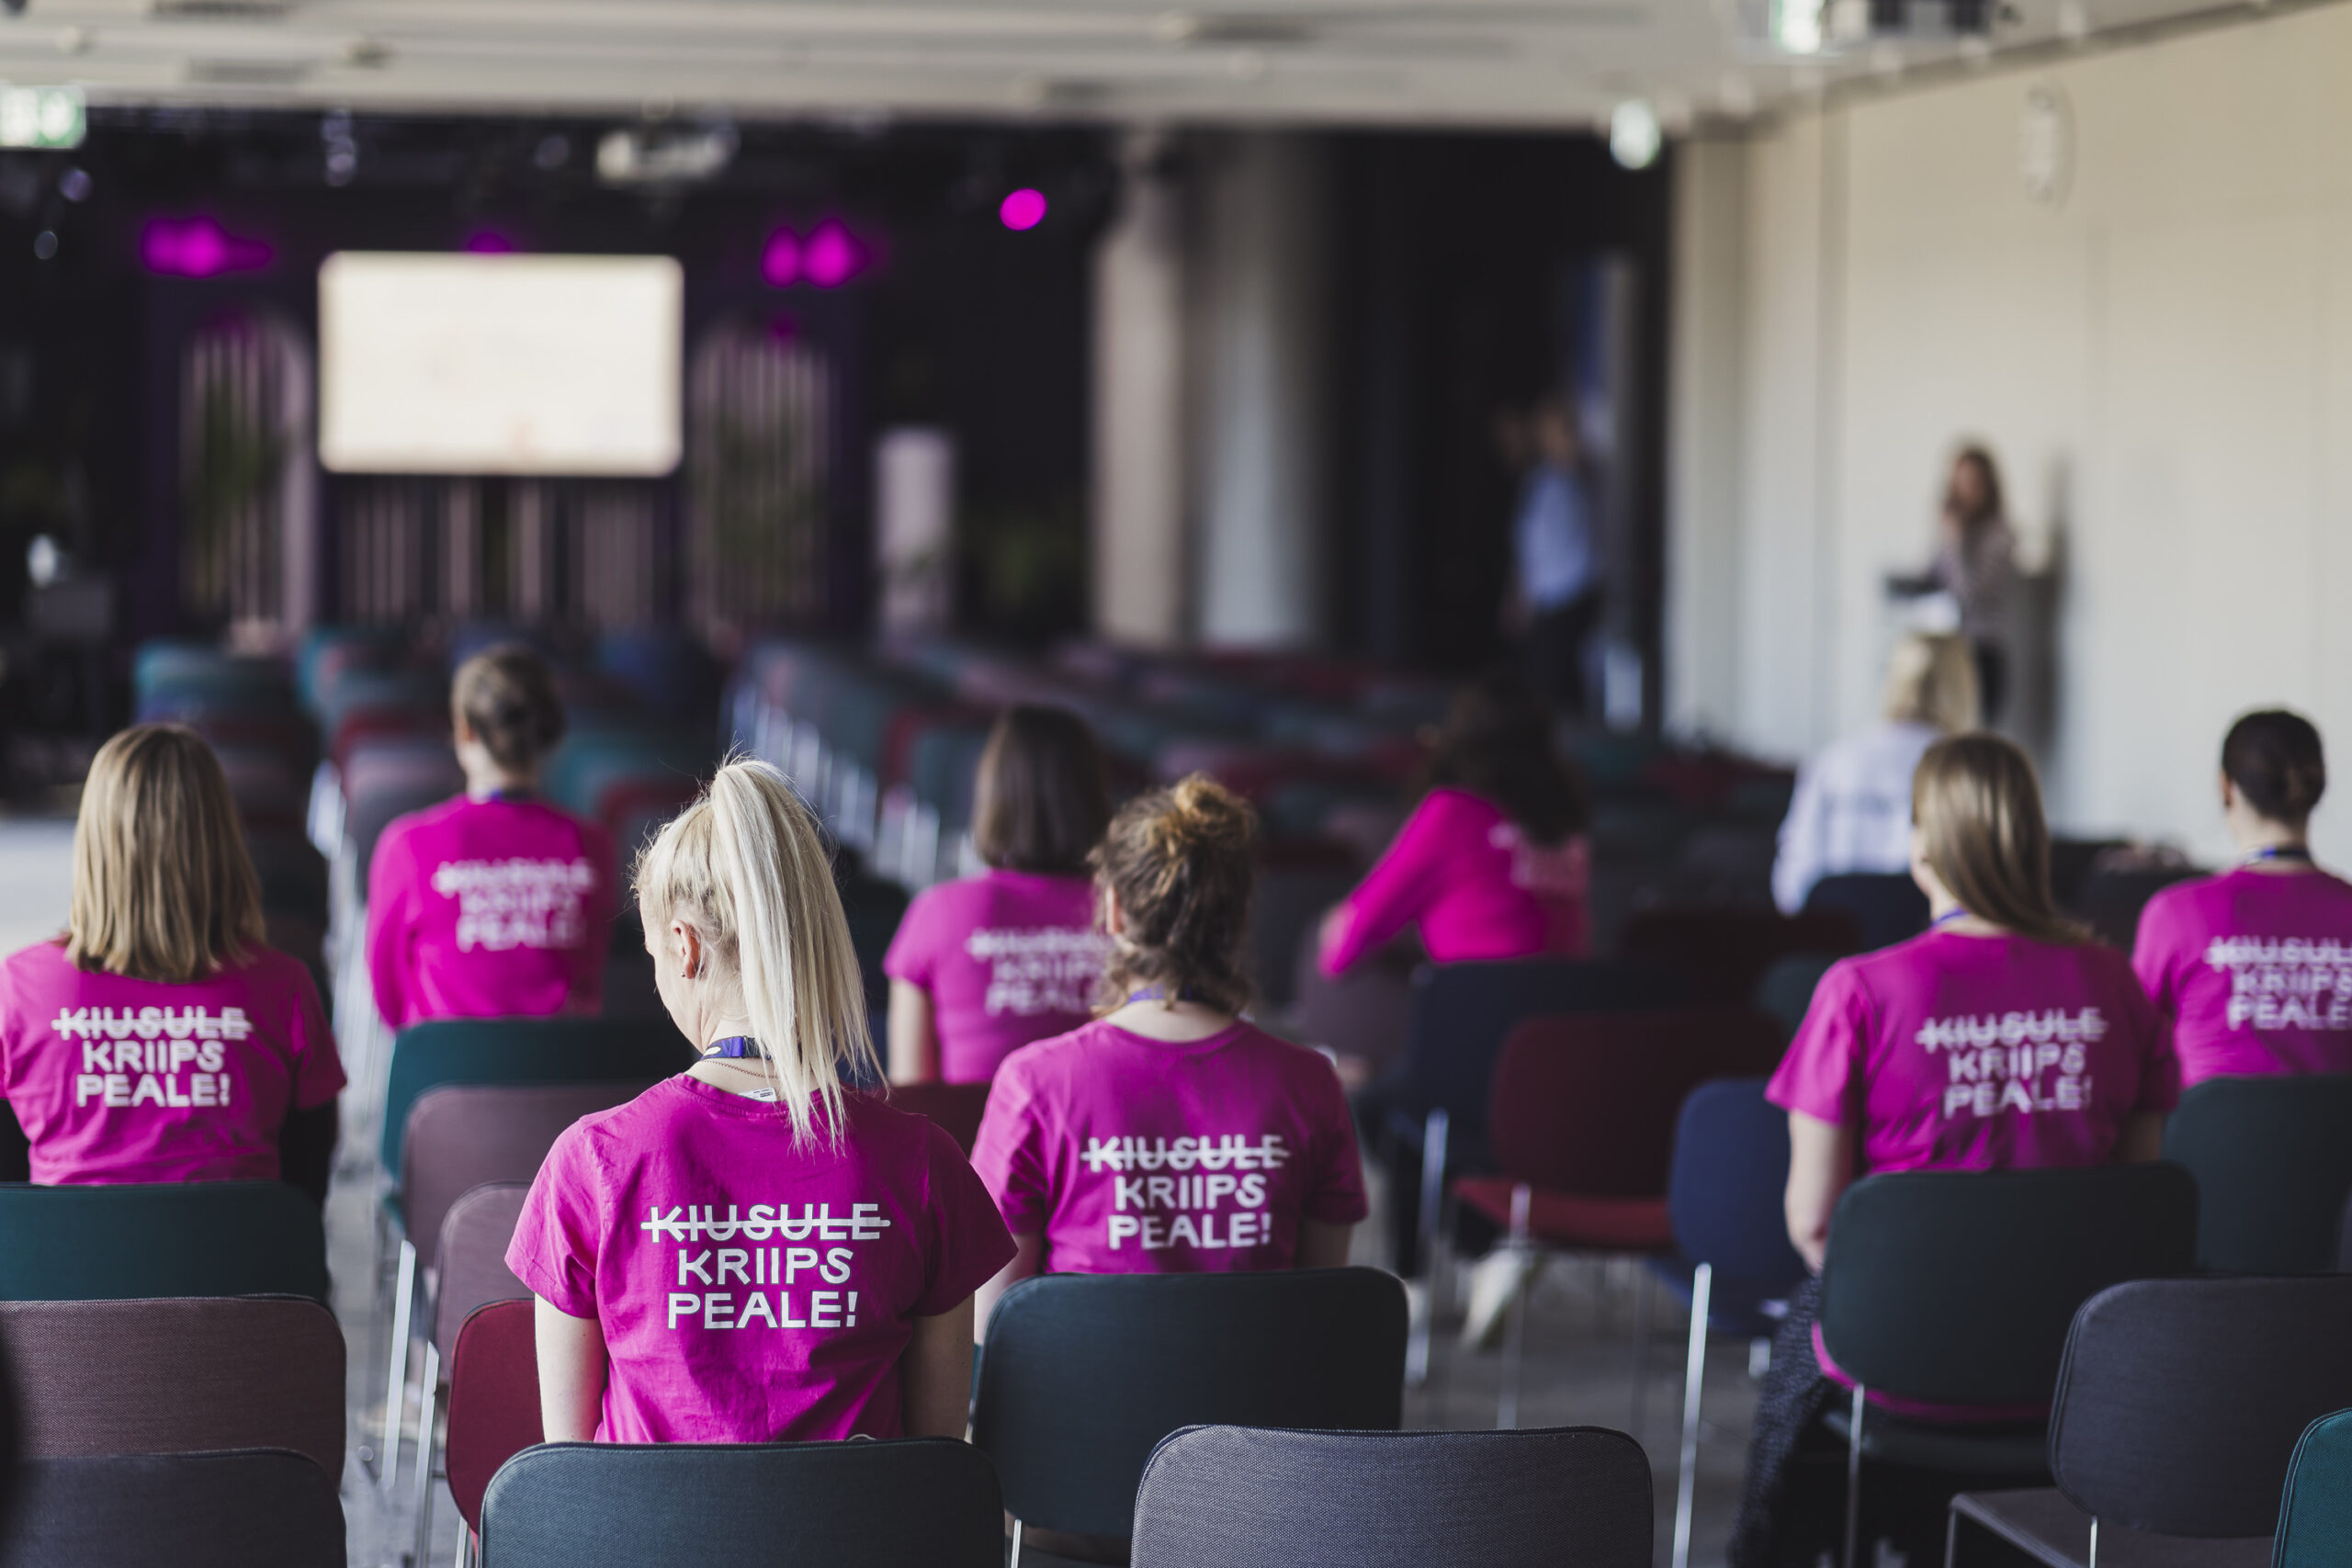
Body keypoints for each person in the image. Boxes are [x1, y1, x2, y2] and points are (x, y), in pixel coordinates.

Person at [1733, 734, 2176, 1568]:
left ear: (1922, 842)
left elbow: (1812, 1222)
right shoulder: (2118, 982)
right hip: (2076, 1360)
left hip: (1902, 1351)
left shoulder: (1860, 990)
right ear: (2033, 841)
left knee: (1800, 1347)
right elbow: (2138, 1199)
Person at [505, 760, 1013, 1444]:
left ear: (683, 949)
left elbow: (565, 1478)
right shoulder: (926, 1163)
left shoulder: (591, 1161)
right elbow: (934, 1468)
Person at [970, 776, 1367, 1327]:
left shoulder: (1035, 1083)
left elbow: (993, 1325)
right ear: (1239, 916)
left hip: (1082, 1407)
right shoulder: (1311, 1083)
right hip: (1256, 1411)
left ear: (1112, 911)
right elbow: (1318, 1317)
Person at [0, 725, 344, 1199]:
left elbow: (10, 1201)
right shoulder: (285, 986)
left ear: (95, 843)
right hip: (241, 1272)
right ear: (221, 841)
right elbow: (307, 1193)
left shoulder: (18, 989)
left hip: (70, 1269)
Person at [366, 644, 614, 1031]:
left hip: (444, 1082)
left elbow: (389, 1000)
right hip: (570, 1083)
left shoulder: (407, 846)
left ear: (465, 730)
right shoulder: (596, 846)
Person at [883, 705, 1112, 1085]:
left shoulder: (939, 911)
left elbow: (911, 1091)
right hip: (1093, 1142)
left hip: (971, 1141)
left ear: (992, 796)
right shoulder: (1125, 913)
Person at [1317, 669, 1591, 981]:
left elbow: (1346, 947)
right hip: (1567, 1020)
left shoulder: (1452, 812)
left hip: (1478, 1017)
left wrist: (1332, 924)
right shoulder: (1567, 824)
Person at [2134, 709, 2352, 1087]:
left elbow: (2130, 1046)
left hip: (2207, 1145)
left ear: (2226, 788)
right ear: (2318, 786)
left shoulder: (2176, 914)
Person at [1771, 633, 1980, 914]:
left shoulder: (1832, 761)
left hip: (1832, 944)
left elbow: (1791, 884)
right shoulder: (1966, 771)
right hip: (1921, 946)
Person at [1891, 445, 2017, 724]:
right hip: (1942, 649)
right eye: (1958, 483)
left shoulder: (1999, 535)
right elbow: (1934, 582)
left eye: (1973, 483)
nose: (1964, 492)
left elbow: (1969, 596)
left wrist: (1957, 542)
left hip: (1978, 654)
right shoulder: (1951, 529)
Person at [1504, 397, 1601, 716]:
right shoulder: (1542, 481)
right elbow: (1531, 547)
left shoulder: (1587, 479)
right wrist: (1521, 595)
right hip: (1548, 598)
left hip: (1574, 595)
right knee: (1543, 684)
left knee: (1563, 686)